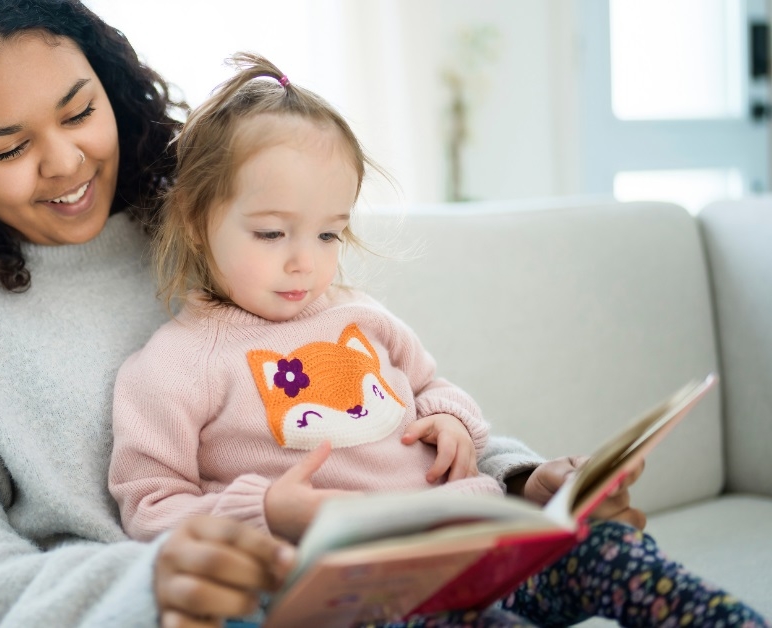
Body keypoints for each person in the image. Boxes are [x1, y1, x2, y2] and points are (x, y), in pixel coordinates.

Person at [0, 1, 652, 626]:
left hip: (378, 573)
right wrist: (143, 587)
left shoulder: (219, 228)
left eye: (80, 111)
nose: (66, 161)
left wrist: (516, 479)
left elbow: (381, 392)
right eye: (8, 148)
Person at [107, 52, 768, 628]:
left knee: (616, 553)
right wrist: (267, 510)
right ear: (197, 221)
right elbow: (149, 509)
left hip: (476, 543)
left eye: (329, 234)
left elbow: (429, 386)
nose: (304, 261)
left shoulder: (359, 315)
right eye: (273, 234)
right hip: (360, 593)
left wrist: (450, 420)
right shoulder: (172, 366)